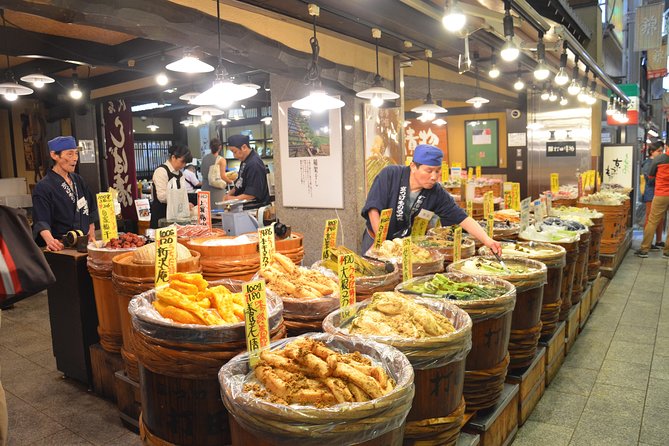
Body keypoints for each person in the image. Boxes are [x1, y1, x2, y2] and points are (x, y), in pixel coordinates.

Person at [361, 144, 502, 255]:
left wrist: (487, 240)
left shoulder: (436, 191)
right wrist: (382, 242)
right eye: (429, 171)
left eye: (437, 171)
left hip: (404, 244)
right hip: (376, 238)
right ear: (413, 167)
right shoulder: (391, 174)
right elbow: (374, 208)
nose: (434, 176)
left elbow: (461, 217)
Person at [32, 136, 98, 251]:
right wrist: (51, 242)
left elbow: (91, 209)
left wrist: (91, 233)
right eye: (70, 154)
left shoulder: (78, 180)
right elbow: (41, 220)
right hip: (61, 246)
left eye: (76, 154)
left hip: (84, 244)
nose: (75, 158)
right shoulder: (43, 187)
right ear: (54, 155)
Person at [636, 140, 669, 258]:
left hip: (661, 194)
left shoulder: (659, 159)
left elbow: (650, 176)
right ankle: (667, 252)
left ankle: (645, 249)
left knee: (652, 221)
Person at [150, 144, 192, 229]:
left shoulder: (180, 174)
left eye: (185, 163)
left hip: (176, 217)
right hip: (161, 215)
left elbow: (182, 193)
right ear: (173, 157)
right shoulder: (161, 171)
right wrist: (181, 202)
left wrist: (186, 203)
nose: (183, 165)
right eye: (182, 162)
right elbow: (162, 197)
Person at [224, 134, 270, 208]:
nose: (234, 156)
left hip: (255, 208)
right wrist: (229, 194)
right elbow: (239, 183)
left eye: (234, 152)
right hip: (244, 207)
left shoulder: (254, 164)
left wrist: (232, 199)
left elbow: (252, 194)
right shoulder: (245, 161)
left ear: (244, 147)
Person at [641, 141, 665, 251]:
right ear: (651, 152)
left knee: (660, 219)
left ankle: (658, 241)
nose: (661, 153)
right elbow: (649, 180)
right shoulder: (648, 163)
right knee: (650, 219)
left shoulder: (659, 161)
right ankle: (647, 243)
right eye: (658, 151)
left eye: (662, 151)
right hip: (651, 194)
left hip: (659, 193)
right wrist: (661, 177)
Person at [201, 138, 231, 205]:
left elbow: (202, 173)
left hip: (205, 188)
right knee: (218, 212)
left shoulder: (204, 158)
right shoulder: (221, 160)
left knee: (206, 210)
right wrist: (230, 181)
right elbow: (223, 176)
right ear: (220, 147)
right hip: (217, 190)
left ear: (210, 147)